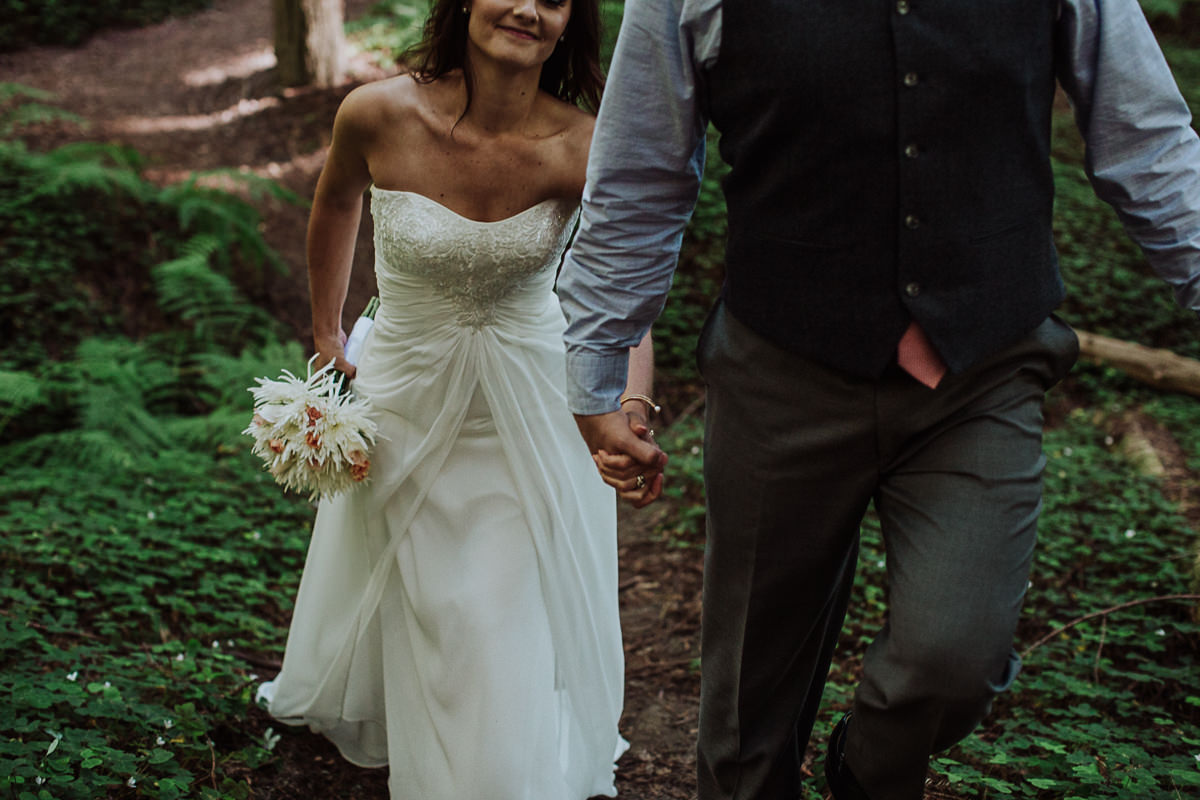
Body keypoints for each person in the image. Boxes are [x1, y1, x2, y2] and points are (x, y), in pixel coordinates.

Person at [557, 1, 1200, 799]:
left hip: (981, 371)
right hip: (780, 369)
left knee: (953, 658)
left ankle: (864, 776)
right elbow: (639, 172)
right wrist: (597, 366)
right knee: (748, 700)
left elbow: (1148, 141)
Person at [257, 0, 656, 796]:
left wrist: (630, 411)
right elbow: (336, 201)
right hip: (406, 384)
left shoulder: (584, 145)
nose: (527, 8)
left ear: (570, 22)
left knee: (488, 605)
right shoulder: (376, 113)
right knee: (423, 585)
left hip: (536, 397)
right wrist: (327, 330)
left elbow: (622, 295)